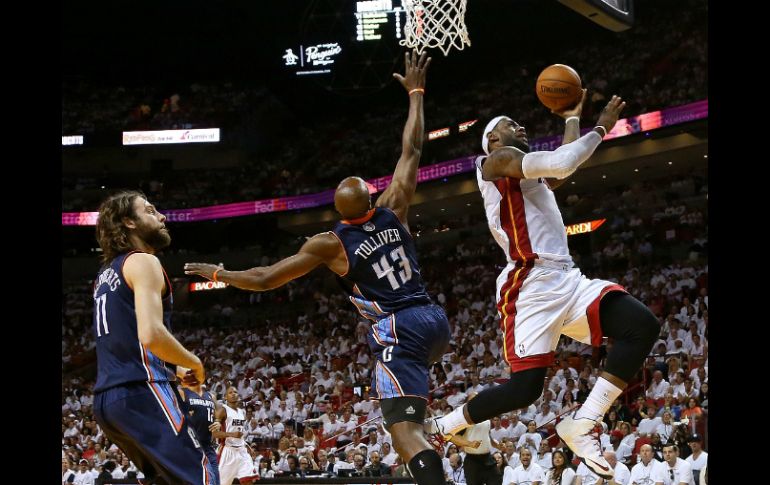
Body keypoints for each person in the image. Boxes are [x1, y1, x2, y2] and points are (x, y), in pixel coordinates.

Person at [186, 51, 449, 485]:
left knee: (404, 435)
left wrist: (220, 273)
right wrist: (416, 94)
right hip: (434, 320)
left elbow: (267, 278)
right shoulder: (393, 208)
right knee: (414, 417)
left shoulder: (331, 243)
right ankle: (458, 434)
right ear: (370, 199)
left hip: (399, 328)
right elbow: (413, 147)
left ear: (338, 211)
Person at [426, 93, 660, 480]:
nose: (520, 126)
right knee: (525, 390)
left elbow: (560, 167)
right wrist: (600, 126)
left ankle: (582, 424)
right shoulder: (494, 163)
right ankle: (443, 426)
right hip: (529, 283)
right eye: (509, 124)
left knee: (642, 326)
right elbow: (564, 161)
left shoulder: (525, 174)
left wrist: (571, 118)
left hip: (567, 278)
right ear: (493, 140)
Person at [92, 191, 216, 484]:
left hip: (107, 401)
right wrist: (193, 361)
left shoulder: (104, 275)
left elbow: (127, 336)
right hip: (141, 389)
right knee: (203, 476)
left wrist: (174, 365)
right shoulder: (144, 262)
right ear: (128, 222)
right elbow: (150, 334)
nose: (161, 216)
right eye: (149, 211)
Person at [179, 372, 223, 484]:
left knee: (215, 479)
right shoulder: (182, 392)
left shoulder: (210, 395)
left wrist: (218, 421)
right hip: (191, 445)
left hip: (207, 445)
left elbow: (220, 409)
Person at [215, 386, 258, 485]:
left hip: (242, 451)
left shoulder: (241, 412)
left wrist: (246, 444)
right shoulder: (222, 410)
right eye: (230, 392)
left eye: (235, 392)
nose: (233, 394)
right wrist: (232, 434)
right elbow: (215, 433)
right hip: (228, 450)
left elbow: (240, 432)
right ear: (225, 397)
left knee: (248, 480)